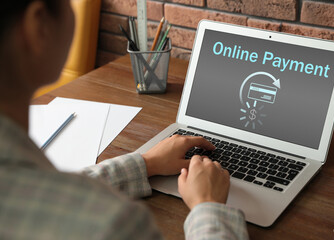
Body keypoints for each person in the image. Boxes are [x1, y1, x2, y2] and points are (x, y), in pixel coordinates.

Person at [0, 1, 249, 239]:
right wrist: (208, 206)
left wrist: (146, 163)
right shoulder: (113, 226)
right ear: (38, 26)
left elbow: (49, 198)